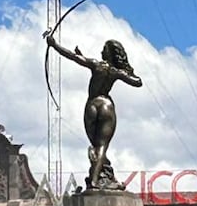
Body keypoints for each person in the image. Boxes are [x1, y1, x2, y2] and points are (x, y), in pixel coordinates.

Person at [44, 32, 142, 190]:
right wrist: (127, 70)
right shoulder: (116, 72)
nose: (102, 51)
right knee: (101, 145)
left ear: (109, 53)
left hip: (92, 104)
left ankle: (96, 176)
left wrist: (54, 45)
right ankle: (97, 178)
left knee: (96, 145)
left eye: (105, 49)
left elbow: (72, 57)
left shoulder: (96, 64)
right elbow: (138, 82)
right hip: (106, 105)